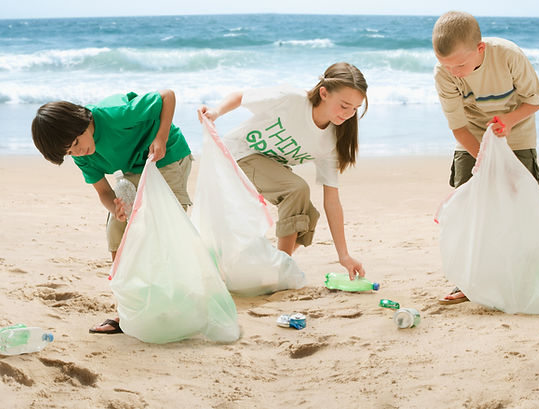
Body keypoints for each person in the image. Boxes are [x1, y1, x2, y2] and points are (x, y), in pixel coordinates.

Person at [31, 90, 193, 333]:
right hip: (135, 168)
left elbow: (167, 96)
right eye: (69, 152)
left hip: (168, 154)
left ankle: (174, 303)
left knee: (163, 231)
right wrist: (115, 209)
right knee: (116, 230)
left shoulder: (115, 115)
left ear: (83, 123)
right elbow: (104, 193)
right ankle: (126, 310)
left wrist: (160, 137)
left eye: (76, 143)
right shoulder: (82, 157)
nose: (78, 152)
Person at [197, 62, 368, 279]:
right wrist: (215, 112)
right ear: (324, 93)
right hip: (236, 153)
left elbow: (332, 201)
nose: (349, 114)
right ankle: (279, 271)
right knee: (296, 190)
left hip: (268, 167)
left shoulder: (331, 141)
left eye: (355, 108)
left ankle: (276, 263)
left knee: (307, 214)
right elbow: (241, 97)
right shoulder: (291, 99)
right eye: (344, 106)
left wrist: (344, 256)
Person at [431, 11, 539, 304]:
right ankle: (467, 281)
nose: (453, 72)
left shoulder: (508, 56)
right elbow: (458, 127)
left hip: (515, 131)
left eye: (460, 64)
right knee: (470, 206)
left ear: (480, 49)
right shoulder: (444, 73)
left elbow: (534, 100)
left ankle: (521, 276)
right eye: (446, 65)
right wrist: (484, 158)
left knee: (516, 204)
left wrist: (508, 120)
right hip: (471, 137)